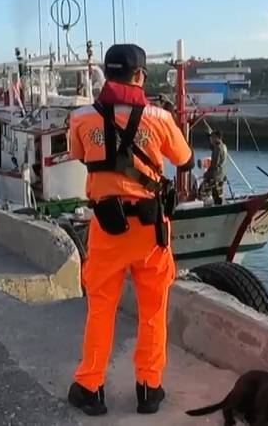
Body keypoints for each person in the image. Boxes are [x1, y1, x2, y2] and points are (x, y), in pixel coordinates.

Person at [66, 43, 195, 416]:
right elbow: (185, 160)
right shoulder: (160, 118)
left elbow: (78, 154)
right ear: (140, 76)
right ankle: (149, 389)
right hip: (151, 230)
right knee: (153, 311)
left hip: (107, 228)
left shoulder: (81, 117)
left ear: (107, 74)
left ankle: (90, 387)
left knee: (101, 309)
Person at [199, 130, 228, 206]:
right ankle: (218, 204)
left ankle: (203, 204)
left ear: (218, 138)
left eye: (213, 138)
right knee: (217, 193)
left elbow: (215, 164)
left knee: (202, 190)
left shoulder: (218, 148)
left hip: (216, 175)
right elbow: (213, 148)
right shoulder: (223, 147)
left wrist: (207, 174)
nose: (211, 140)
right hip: (222, 174)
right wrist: (208, 137)